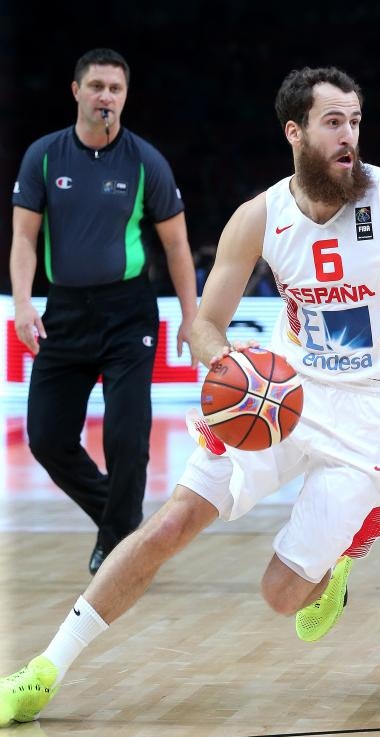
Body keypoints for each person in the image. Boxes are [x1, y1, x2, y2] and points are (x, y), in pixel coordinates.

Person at [0, 66, 380, 727]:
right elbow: (205, 326)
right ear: (294, 131)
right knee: (171, 523)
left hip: (375, 413)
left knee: (281, 595)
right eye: (333, 122)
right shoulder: (260, 217)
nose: (348, 135)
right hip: (282, 396)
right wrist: (230, 369)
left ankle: (347, 553)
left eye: (355, 121)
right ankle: (46, 668)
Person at [9, 48, 198, 574]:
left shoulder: (146, 162)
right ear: (76, 91)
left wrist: (191, 315)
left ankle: (118, 545)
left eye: (115, 89)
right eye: (96, 87)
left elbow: (178, 246)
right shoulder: (44, 157)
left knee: (126, 436)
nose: (105, 97)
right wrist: (23, 303)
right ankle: (120, 520)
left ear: (125, 97)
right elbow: (24, 239)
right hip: (64, 312)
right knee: (46, 438)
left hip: (127, 313)